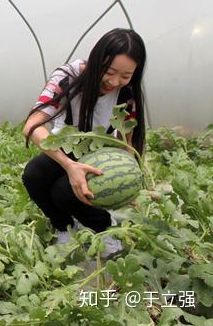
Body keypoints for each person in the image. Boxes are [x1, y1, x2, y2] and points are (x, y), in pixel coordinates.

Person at [21, 28, 146, 256]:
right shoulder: (67, 77)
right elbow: (32, 126)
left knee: (64, 192)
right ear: (96, 59)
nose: (114, 81)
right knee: (34, 175)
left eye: (125, 76)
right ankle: (64, 226)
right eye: (109, 71)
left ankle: (105, 229)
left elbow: (129, 141)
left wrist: (131, 179)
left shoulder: (126, 92)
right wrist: (69, 166)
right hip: (65, 147)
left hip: (101, 153)